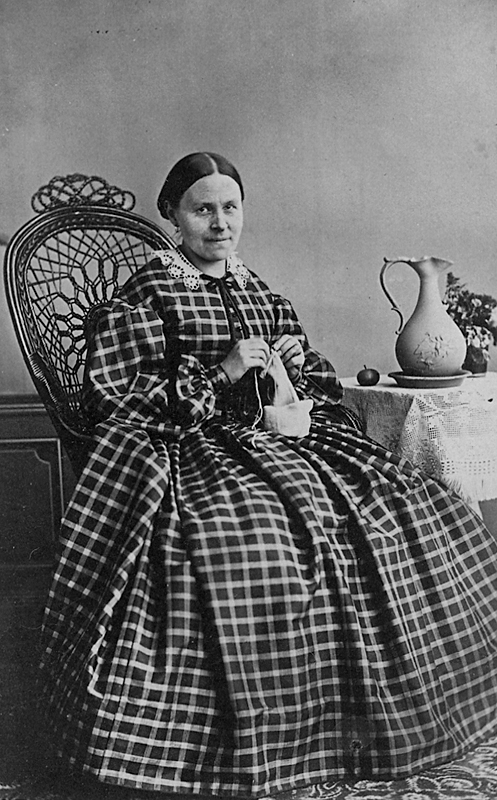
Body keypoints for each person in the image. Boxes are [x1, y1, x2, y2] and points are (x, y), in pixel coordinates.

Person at [40, 152, 497, 798]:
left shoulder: (257, 289)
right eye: (202, 209)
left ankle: (362, 721)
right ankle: (258, 740)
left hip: (278, 437)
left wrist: (296, 362)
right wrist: (221, 372)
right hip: (190, 447)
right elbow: (115, 400)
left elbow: (315, 385)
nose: (220, 223)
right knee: (257, 534)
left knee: (400, 498)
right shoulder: (149, 293)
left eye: (230, 208)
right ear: (172, 215)